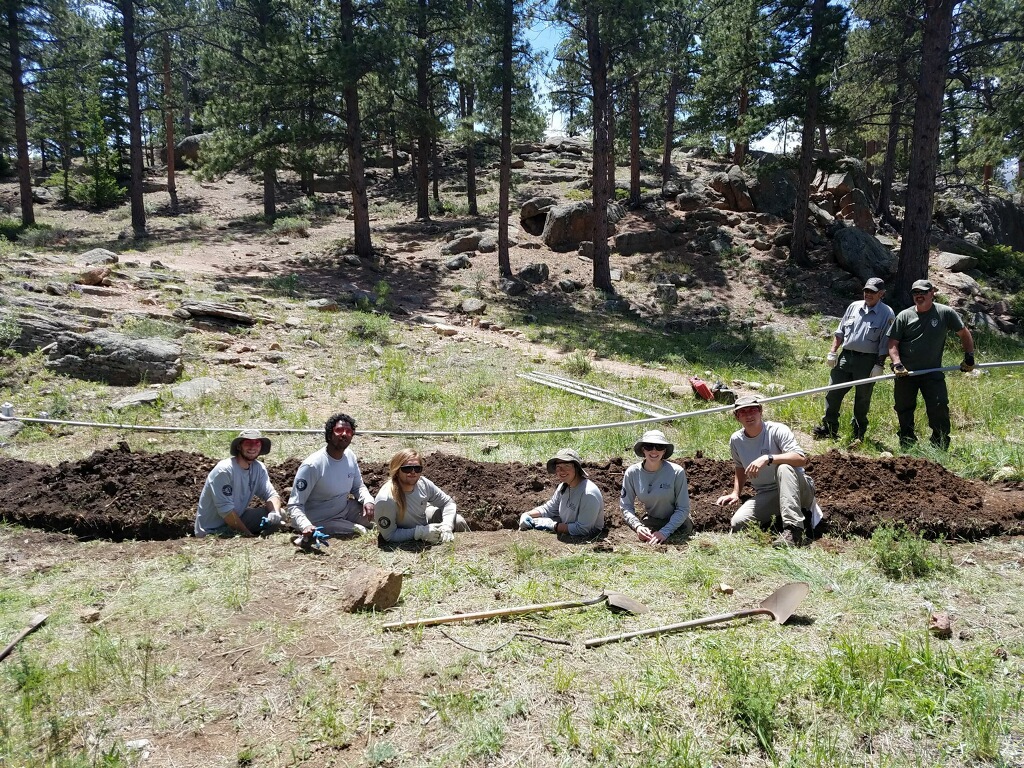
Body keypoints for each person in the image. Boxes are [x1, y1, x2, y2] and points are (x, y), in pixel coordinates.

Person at [715, 396, 820, 548]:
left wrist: (768, 458)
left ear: (761, 412)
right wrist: (735, 493)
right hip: (769, 494)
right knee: (738, 522)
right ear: (737, 417)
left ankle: (794, 530)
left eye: (753, 410)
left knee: (783, 467)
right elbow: (739, 467)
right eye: (743, 412)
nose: (749, 415)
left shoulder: (777, 430)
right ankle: (780, 520)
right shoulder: (736, 440)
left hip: (799, 489)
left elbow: (801, 459)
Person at [887, 279, 975, 450]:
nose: (919, 296)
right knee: (903, 407)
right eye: (915, 293)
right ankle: (907, 440)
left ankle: (939, 442)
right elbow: (892, 343)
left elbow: (964, 334)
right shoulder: (904, 316)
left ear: (932, 292)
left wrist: (969, 356)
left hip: (932, 372)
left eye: (923, 292)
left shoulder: (945, 313)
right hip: (906, 374)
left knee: (939, 405)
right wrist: (896, 364)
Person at [813, 277, 895, 443]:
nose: (868, 294)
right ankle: (829, 428)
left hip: (867, 361)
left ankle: (858, 433)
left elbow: (886, 342)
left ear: (881, 294)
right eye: (866, 290)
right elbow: (840, 331)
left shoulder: (887, 313)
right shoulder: (854, 307)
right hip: (846, 357)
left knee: (862, 398)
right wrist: (833, 352)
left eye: (872, 292)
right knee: (833, 392)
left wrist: (879, 364)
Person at [287, 413, 375, 546]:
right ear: (329, 434)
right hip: (321, 518)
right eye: (339, 430)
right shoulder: (313, 465)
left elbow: (358, 487)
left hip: (344, 508)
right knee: (361, 531)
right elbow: (295, 505)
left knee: (381, 518)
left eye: (348, 431)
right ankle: (306, 538)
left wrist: (368, 501)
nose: (344, 434)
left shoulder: (350, 456)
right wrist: (305, 525)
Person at [194, 429, 283, 538]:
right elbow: (226, 511)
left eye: (257, 443)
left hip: (237, 518)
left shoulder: (258, 468)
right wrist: (247, 535)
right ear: (239, 446)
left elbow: (271, 495)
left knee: (281, 514)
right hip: (213, 529)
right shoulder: (224, 470)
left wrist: (275, 513)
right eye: (247, 443)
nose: (252, 447)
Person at [374, 449, 469, 544]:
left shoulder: (423, 484)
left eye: (417, 468)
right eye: (407, 468)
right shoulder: (386, 500)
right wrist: (419, 532)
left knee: (458, 521)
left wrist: (447, 526)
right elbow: (389, 535)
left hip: (424, 519)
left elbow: (447, 503)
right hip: (409, 530)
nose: (413, 472)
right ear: (397, 470)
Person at [620, 429, 692, 545]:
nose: (654, 451)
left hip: (679, 524)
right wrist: (637, 526)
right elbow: (625, 506)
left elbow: (683, 508)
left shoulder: (677, 472)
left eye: (659, 446)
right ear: (643, 449)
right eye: (649, 446)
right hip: (652, 521)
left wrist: (664, 532)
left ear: (664, 451)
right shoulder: (632, 473)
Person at [519, 448, 604, 537]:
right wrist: (527, 514)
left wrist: (553, 526)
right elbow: (549, 509)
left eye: (566, 466)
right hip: (567, 525)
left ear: (576, 468)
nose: (561, 470)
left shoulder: (588, 494)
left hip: (587, 537)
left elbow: (582, 529)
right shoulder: (563, 487)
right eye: (558, 467)